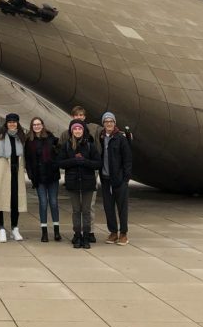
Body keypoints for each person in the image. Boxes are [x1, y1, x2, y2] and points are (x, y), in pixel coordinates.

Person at [58, 105, 101, 244]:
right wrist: (74, 161)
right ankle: (77, 234)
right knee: (77, 210)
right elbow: (61, 159)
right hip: (73, 178)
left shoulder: (91, 138)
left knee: (88, 207)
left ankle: (89, 233)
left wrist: (84, 161)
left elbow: (97, 161)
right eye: (76, 116)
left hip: (88, 177)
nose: (79, 119)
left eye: (81, 115)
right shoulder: (66, 138)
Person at [0, 113, 27, 243]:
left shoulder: (21, 137)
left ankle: (15, 228)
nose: (12, 124)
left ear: (17, 123)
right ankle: (2, 229)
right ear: (6, 123)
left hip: (16, 174)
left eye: (14, 122)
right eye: (9, 122)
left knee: (15, 203)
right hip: (1, 174)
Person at [24, 117, 62, 242]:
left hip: (52, 176)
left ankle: (56, 230)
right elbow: (28, 160)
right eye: (34, 125)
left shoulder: (51, 138)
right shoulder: (29, 141)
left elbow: (60, 150)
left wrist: (55, 164)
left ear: (42, 125)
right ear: (31, 126)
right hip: (39, 177)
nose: (36, 126)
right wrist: (30, 174)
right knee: (43, 203)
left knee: (54, 202)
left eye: (38, 124)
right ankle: (44, 232)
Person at [98, 112, 133, 245]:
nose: (109, 124)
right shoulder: (101, 137)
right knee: (108, 207)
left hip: (119, 179)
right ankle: (113, 232)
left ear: (114, 123)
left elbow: (128, 159)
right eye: (106, 121)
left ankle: (123, 233)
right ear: (103, 124)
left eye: (111, 121)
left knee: (122, 207)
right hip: (106, 179)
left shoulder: (121, 138)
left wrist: (126, 178)